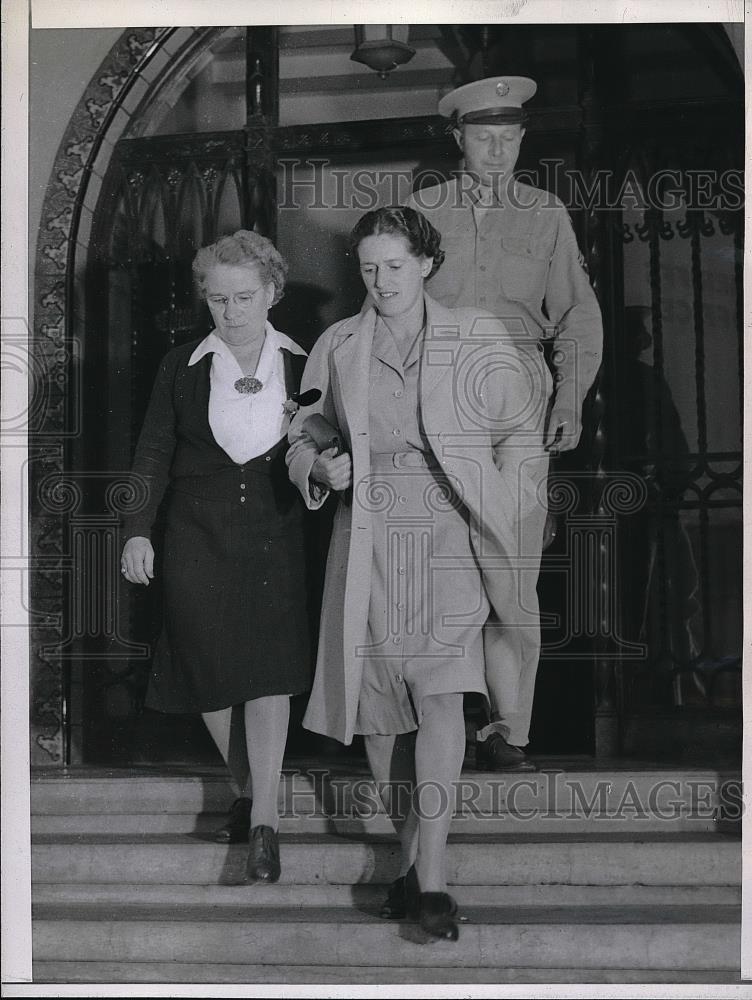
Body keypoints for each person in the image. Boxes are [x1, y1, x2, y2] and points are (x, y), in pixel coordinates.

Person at [287, 207, 548, 940]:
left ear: (426, 263)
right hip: (367, 535)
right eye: (369, 267)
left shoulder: (476, 334)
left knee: (441, 697)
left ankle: (432, 878)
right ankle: (408, 864)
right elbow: (301, 433)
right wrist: (320, 466)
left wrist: (509, 508)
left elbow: (519, 434)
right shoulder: (339, 344)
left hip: (450, 535)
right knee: (381, 716)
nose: (381, 280)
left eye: (395, 265)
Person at [408, 75, 603, 771]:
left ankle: (507, 728)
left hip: (518, 389)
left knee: (510, 569)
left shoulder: (546, 215)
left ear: (522, 140)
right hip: (440, 388)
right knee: (438, 559)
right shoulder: (420, 210)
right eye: (483, 137)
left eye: (509, 138)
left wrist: (571, 396)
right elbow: (390, 310)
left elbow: (577, 313)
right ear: (457, 138)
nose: (497, 150)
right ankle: (439, 711)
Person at [120, 230, 311, 883]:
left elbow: (327, 442)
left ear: (272, 291)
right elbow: (151, 454)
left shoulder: (307, 360)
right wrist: (137, 530)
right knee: (206, 672)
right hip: (193, 533)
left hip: (273, 530)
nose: (231, 311)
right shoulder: (181, 365)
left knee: (266, 674)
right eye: (218, 299)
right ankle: (252, 791)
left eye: (244, 297)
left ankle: (265, 827)